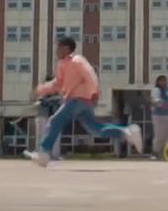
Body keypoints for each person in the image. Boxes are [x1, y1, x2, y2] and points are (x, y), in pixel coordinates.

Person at [25, 37, 142, 167]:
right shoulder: (61, 64)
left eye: (59, 47)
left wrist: (94, 92)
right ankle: (127, 132)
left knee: (55, 121)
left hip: (79, 98)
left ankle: (44, 153)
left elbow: (90, 75)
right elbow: (57, 83)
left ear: (67, 48)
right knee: (95, 129)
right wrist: (40, 90)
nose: (57, 51)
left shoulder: (77, 60)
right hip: (77, 100)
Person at [150, 75, 168, 161]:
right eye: (162, 81)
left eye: (165, 80)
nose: (164, 82)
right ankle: (155, 152)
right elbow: (156, 100)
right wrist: (163, 104)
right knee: (159, 135)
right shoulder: (156, 90)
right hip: (159, 115)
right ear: (158, 82)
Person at [35, 79, 64, 160]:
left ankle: (54, 155)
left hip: (54, 117)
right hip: (43, 116)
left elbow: (59, 102)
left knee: (56, 136)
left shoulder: (57, 96)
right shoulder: (43, 94)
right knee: (42, 135)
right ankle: (41, 153)